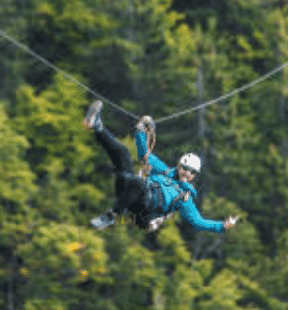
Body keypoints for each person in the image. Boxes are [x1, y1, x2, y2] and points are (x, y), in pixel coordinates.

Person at [83, 100, 239, 233]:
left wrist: (222, 226)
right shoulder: (164, 170)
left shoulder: (184, 197)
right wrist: (140, 130)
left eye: (191, 172)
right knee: (123, 152)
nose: (186, 173)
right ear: (179, 166)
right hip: (129, 188)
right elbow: (144, 153)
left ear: (194, 176)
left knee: (137, 182)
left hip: (144, 205)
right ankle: (97, 126)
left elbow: (198, 222)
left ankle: (111, 216)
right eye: (185, 168)